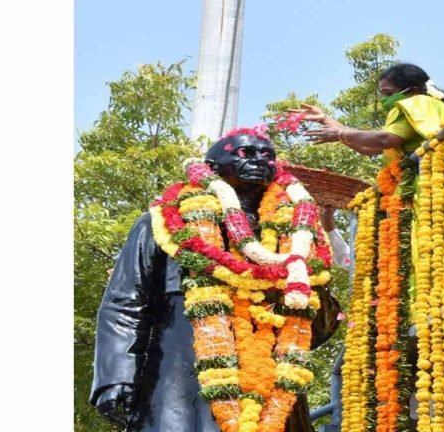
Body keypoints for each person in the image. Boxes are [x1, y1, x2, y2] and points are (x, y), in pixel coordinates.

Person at [90, 131, 341, 432]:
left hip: (271, 391)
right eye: (245, 153)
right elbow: (126, 302)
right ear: (212, 166)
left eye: (267, 155)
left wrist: (302, 283)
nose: (260, 160)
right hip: (181, 381)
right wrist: (116, 376)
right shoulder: (164, 224)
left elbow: (319, 327)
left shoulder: (299, 239)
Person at [290, 62, 444, 165]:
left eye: (388, 93)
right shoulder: (434, 106)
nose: (383, 100)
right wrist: (325, 120)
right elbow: (368, 148)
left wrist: (341, 134)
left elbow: (386, 139)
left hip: (431, 183)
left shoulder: (415, 102)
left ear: (413, 90)